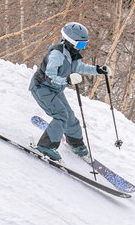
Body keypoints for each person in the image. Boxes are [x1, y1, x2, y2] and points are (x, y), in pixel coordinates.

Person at [29, 21, 110, 162]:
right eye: (80, 45)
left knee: (70, 117)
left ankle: (75, 143)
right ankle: (45, 146)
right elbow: (50, 77)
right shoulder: (57, 54)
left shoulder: (71, 53)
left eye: (84, 45)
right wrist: (67, 80)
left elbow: (80, 67)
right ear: (71, 41)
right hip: (42, 88)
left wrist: (98, 70)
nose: (82, 48)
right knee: (61, 115)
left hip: (56, 90)